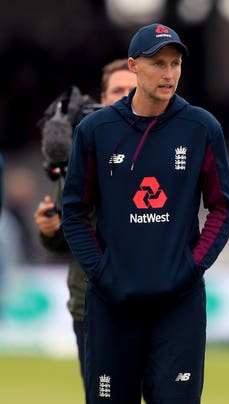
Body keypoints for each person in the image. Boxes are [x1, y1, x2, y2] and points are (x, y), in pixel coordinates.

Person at [61, 23, 229, 403]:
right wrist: (101, 271)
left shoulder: (201, 127)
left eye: (175, 64)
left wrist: (191, 267)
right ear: (133, 66)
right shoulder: (95, 130)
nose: (169, 73)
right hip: (112, 304)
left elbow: (224, 208)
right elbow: (74, 211)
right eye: (158, 63)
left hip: (178, 306)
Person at [32, 58, 136, 386]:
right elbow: (68, 234)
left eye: (132, 90)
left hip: (154, 301)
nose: (124, 96)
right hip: (90, 302)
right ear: (101, 100)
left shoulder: (171, 148)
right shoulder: (82, 152)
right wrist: (50, 230)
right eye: (117, 90)